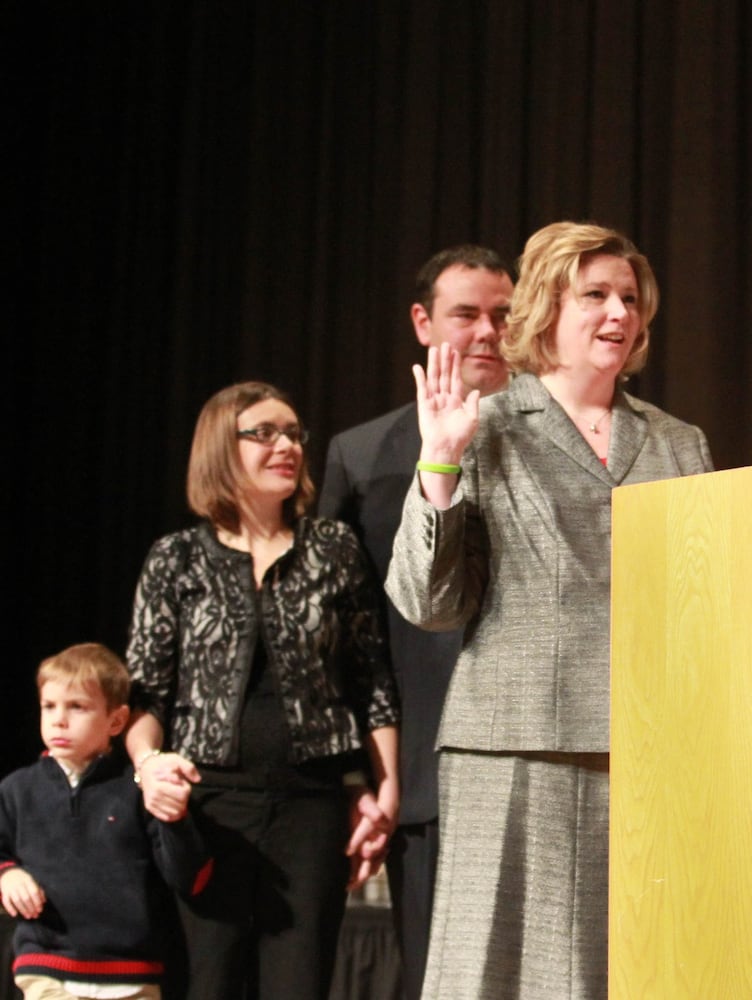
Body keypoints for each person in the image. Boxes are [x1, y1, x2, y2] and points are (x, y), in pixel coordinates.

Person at [385, 221, 713, 999]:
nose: (618, 314)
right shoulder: (483, 424)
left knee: (630, 969)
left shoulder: (678, 442)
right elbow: (428, 602)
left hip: (648, 747)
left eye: (629, 298)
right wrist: (441, 466)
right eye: (594, 294)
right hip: (511, 741)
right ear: (543, 308)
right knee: (497, 971)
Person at [124, 382, 401, 1000]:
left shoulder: (332, 549)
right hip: (207, 806)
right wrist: (149, 767)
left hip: (311, 804)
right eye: (266, 433)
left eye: (295, 433)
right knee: (207, 983)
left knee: (297, 984)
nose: (288, 446)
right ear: (222, 447)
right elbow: (145, 695)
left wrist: (385, 791)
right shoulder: (176, 559)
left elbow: (372, 680)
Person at [320, 245, 514, 1000]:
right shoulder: (364, 455)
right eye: (467, 313)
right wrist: (362, 778)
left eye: (503, 314)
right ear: (422, 321)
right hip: (424, 774)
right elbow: (341, 635)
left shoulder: (566, 431)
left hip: (543, 758)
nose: (489, 331)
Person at [0, 642, 211, 1000]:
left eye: (77, 707)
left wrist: (175, 819)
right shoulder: (18, 788)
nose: (58, 719)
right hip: (46, 965)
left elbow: (191, 879)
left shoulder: (137, 790)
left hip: (131, 973)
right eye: (49, 706)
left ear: (116, 720)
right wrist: (8, 873)